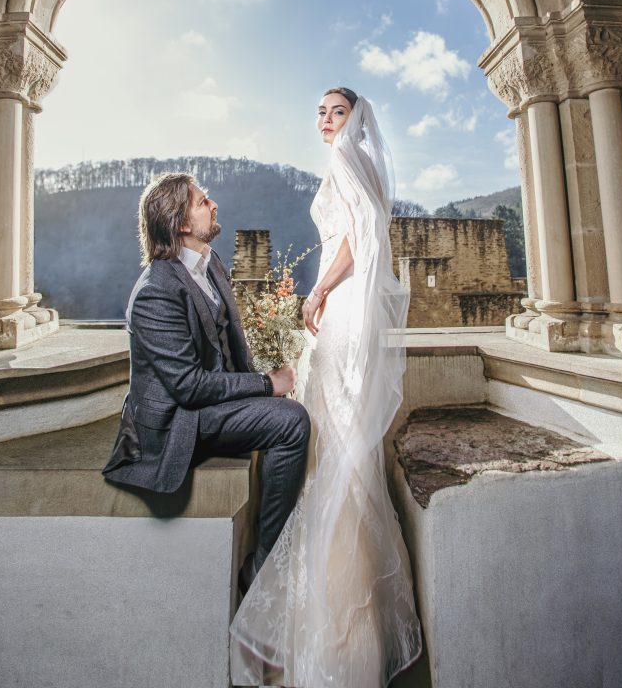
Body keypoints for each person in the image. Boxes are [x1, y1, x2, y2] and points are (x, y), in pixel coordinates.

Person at [230, 89, 422, 688]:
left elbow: (357, 237)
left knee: (333, 442)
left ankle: (337, 631)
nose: (325, 120)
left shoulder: (345, 159)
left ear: (354, 119)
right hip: (344, 313)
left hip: (339, 309)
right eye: (319, 111)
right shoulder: (359, 161)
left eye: (336, 111)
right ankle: (351, 627)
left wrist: (317, 292)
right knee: (339, 445)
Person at [102, 172, 311, 589]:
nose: (214, 205)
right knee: (291, 422)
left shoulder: (208, 262)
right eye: (203, 202)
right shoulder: (155, 290)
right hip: (179, 421)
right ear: (181, 223)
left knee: (290, 408)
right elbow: (188, 387)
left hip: (210, 404)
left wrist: (258, 378)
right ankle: (265, 570)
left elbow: (230, 342)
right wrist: (267, 386)